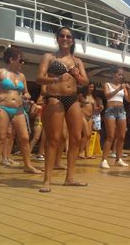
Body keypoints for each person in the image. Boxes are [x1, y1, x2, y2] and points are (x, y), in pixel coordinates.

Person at [36, 26, 89, 193]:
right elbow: (39, 78)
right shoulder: (49, 57)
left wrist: (76, 75)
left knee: (76, 138)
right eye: (62, 35)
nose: (65, 38)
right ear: (57, 38)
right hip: (55, 97)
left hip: (72, 99)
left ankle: (70, 178)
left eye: (68, 36)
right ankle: (47, 180)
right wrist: (55, 79)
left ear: (72, 40)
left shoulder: (78, 61)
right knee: (54, 139)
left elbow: (85, 82)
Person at [0, 47, 41, 179]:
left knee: (25, 138)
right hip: (3, 108)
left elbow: (25, 92)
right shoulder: (0, 72)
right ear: (11, 59)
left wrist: (27, 95)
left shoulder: (22, 76)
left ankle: (27, 165)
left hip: (19, 109)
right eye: (20, 61)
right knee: (1, 138)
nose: (22, 63)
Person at [99, 66, 130, 168]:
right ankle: (104, 160)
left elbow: (128, 99)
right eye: (119, 74)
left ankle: (119, 159)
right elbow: (108, 96)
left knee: (121, 136)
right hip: (110, 110)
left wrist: (128, 90)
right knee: (110, 136)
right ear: (113, 74)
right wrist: (118, 89)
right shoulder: (107, 84)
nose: (120, 76)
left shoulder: (123, 86)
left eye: (122, 75)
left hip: (121, 110)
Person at [78, 84, 97, 159]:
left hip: (90, 117)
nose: (91, 88)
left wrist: (100, 108)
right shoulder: (81, 95)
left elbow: (94, 109)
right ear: (86, 87)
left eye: (92, 87)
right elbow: (76, 103)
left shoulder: (93, 97)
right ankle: (80, 152)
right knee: (86, 134)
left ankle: (87, 153)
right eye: (90, 87)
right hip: (83, 115)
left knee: (89, 136)